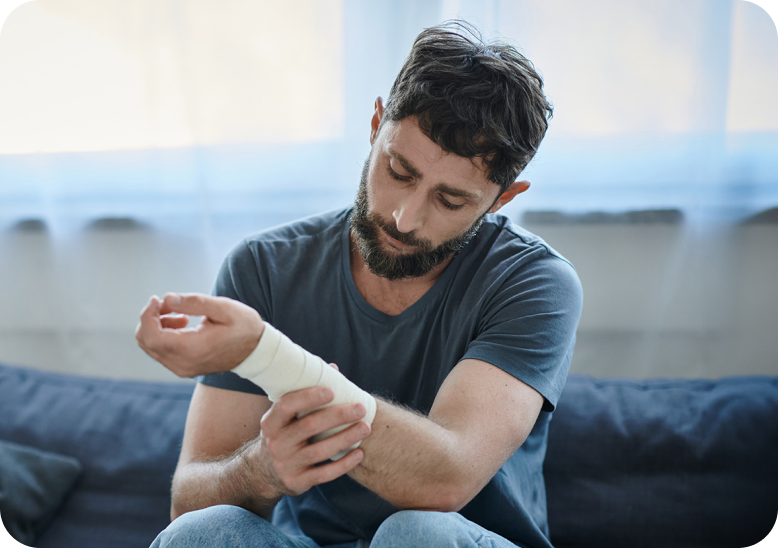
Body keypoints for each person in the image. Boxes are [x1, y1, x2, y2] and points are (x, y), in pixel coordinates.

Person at [135, 20, 582, 548]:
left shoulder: (534, 283)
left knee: (416, 533)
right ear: (376, 125)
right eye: (399, 170)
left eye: (450, 200)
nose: (404, 217)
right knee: (201, 534)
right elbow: (186, 503)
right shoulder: (263, 267)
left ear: (503, 198)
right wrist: (262, 469)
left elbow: (444, 480)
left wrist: (262, 352)